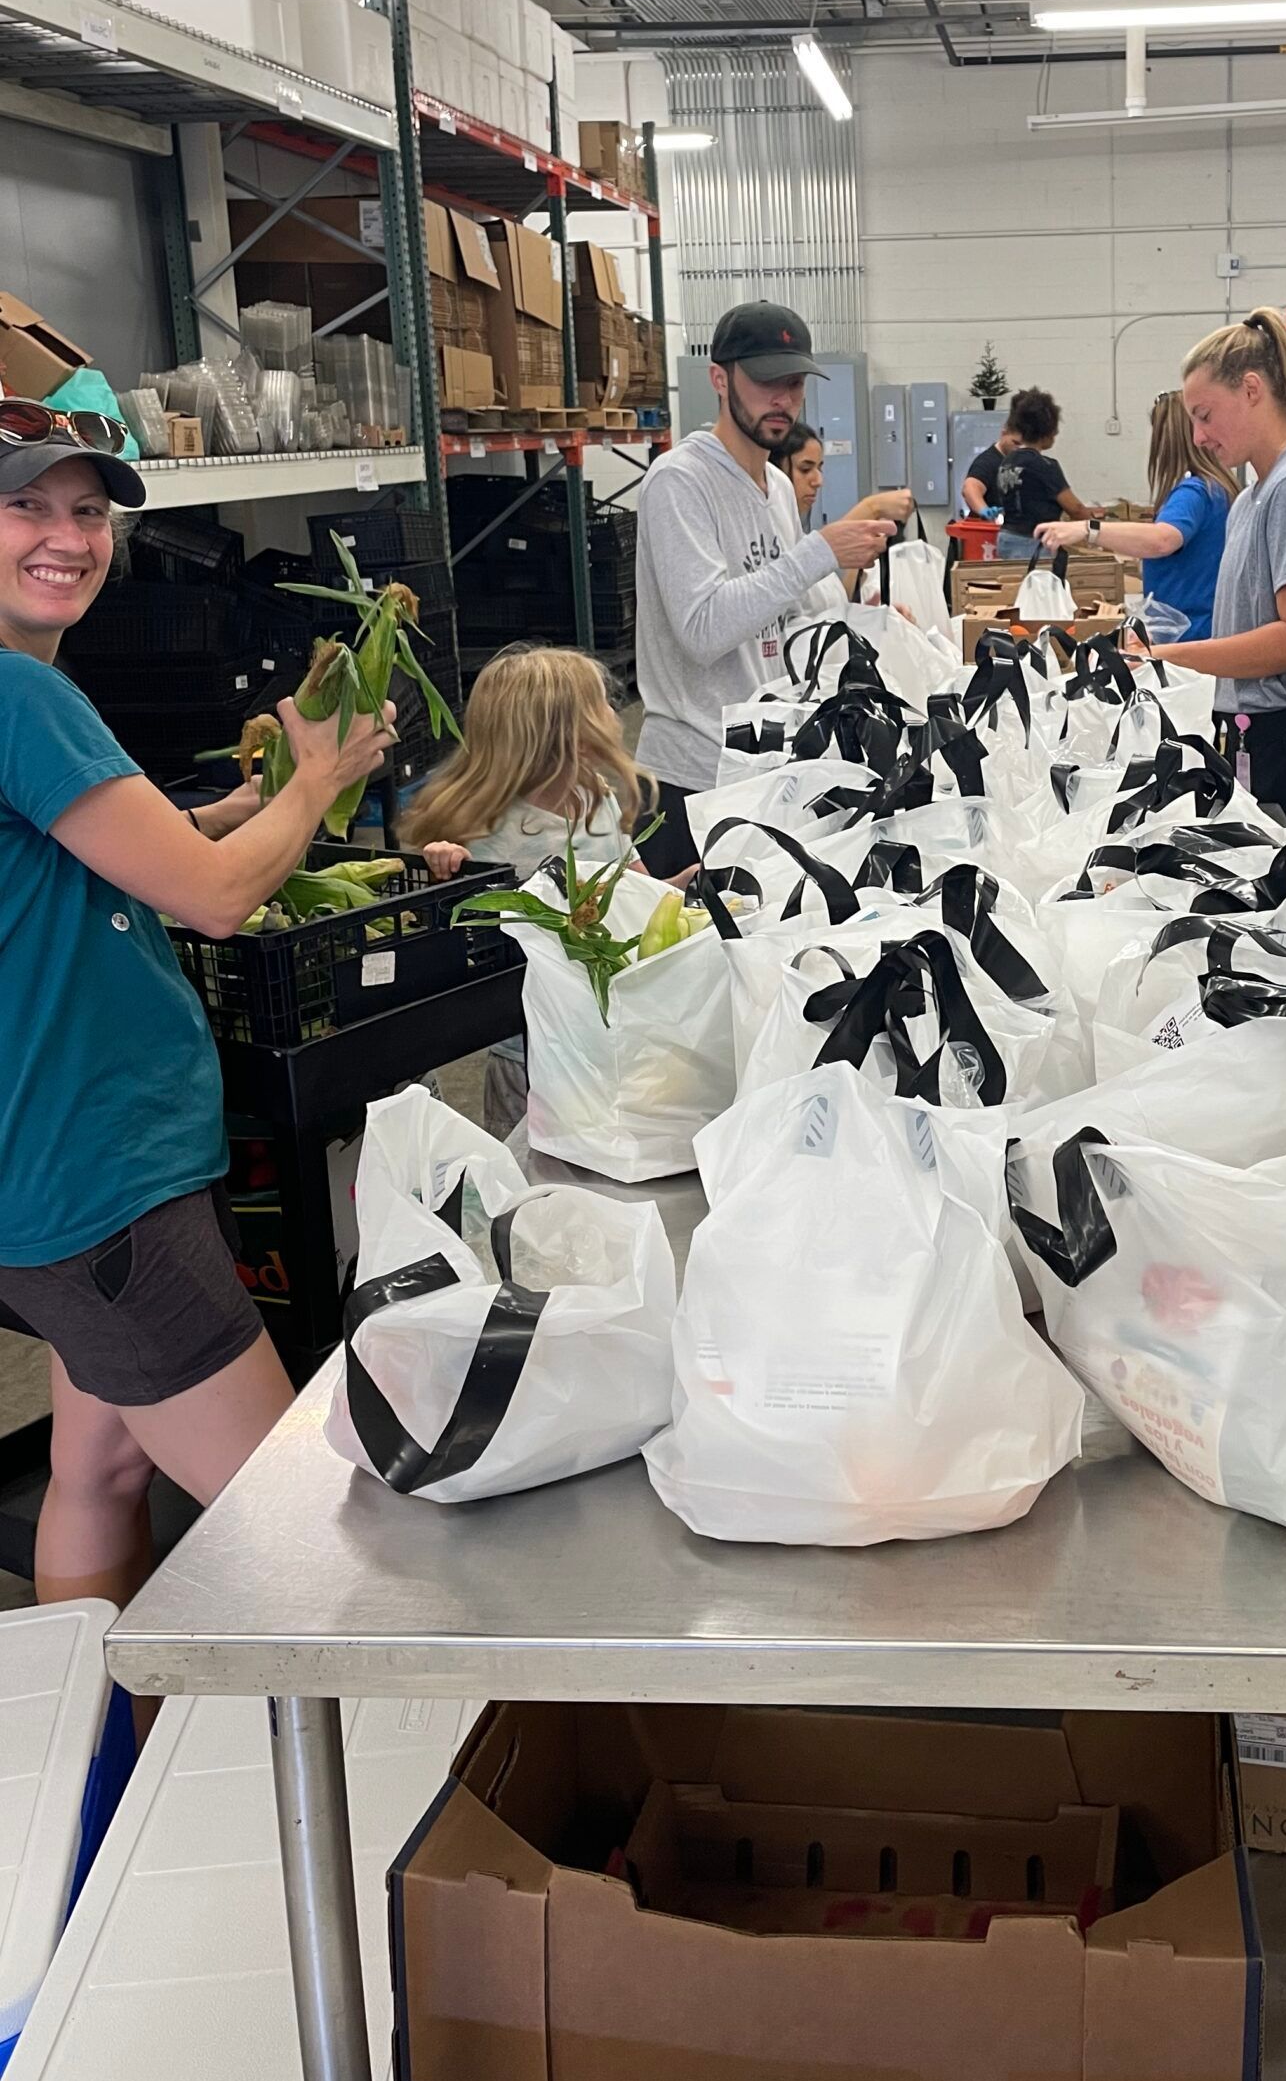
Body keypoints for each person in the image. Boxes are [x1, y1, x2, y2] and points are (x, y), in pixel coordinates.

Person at [0, 411, 394, 1616]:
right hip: (99, 1179)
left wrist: (230, 810)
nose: (68, 537)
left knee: (99, 1463)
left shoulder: (30, 694)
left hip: (47, 1183)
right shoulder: (20, 696)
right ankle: (298, 1783)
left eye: (89, 511)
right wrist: (317, 787)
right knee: (297, 1521)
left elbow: (113, 859)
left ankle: (98, 1771)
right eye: (29, 507)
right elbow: (218, 902)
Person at [631, 302, 890, 872]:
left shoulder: (775, 485)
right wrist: (819, 553)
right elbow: (702, 630)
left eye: (794, 384)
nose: (783, 400)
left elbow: (782, 614)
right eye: (766, 382)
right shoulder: (680, 481)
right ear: (720, 379)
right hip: (691, 781)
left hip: (763, 769)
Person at [1137, 310, 1286, 886]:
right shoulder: (1252, 497)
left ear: (1252, 390)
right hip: (1260, 735)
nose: (1198, 436)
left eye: (1204, 416)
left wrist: (1168, 660)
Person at [404, 644, 669, 1135]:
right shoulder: (487, 834)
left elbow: (638, 887)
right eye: (602, 704)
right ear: (566, 736)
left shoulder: (596, 800)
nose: (616, 712)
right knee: (532, 1184)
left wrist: (685, 892)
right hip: (529, 1055)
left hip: (610, 1036)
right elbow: (447, 927)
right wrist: (444, 863)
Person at [1036, 389, 1236, 641]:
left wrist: (1088, 529)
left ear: (1167, 439)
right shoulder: (1217, 489)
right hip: (1206, 631)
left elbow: (1162, 540)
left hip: (1190, 636)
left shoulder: (1193, 492)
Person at [768, 420, 911, 620]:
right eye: (805, 469)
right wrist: (871, 508)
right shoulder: (773, 550)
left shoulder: (799, 538)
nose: (818, 481)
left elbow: (829, 608)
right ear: (774, 472)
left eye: (819, 468)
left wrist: (869, 615)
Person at [961, 388, 1095, 561]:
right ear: (1046, 434)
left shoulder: (1006, 463)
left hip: (1006, 539)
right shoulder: (1045, 466)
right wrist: (1098, 529)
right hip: (1034, 543)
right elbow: (1075, 509)